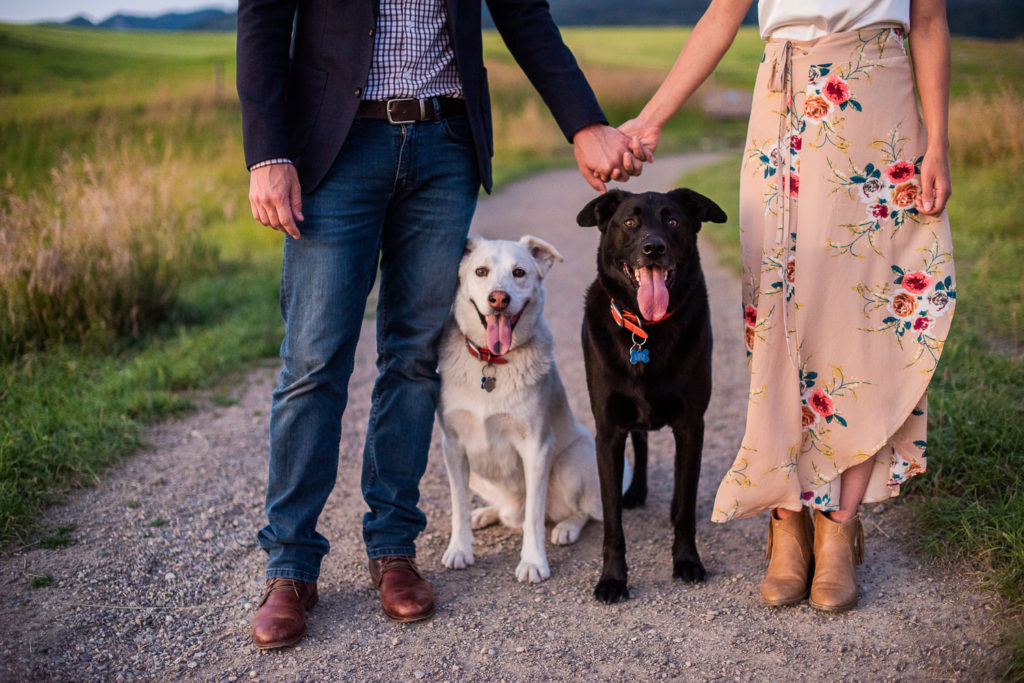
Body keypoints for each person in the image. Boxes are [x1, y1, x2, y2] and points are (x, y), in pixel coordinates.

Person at [237, 0, 642, 649]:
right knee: (313, 360)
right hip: (333, 146)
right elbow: (262, 17)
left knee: (413, 357)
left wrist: (585, 122)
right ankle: (291, 566)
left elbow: (523, 14)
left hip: (443, 145)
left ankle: (393, 549)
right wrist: (266, 151)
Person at [615, 0, 955, 611]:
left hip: (878, 98)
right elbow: (721, 16)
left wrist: (939, 142)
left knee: (864, 315)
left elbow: (928, 18)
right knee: (776, 315)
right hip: (783, 99)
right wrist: (650, 119)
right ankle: (787, 519)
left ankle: (839, 527)